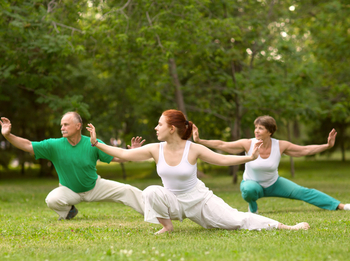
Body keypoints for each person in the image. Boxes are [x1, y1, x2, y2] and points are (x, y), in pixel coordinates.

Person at [86, 109, 310, 234]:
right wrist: (97, 143)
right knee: (151, 191)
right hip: (173, 201)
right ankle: (167, 226)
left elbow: (222, 159)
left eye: (159, 124)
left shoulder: (193, 149)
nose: (155, 128)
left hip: (200, 201)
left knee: (237, 221)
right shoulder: (155, 149)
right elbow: (123, 155)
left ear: (171, 128)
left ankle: (286, 226)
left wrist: (249, 157)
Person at [0, 112, 145, 220]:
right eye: (61, 125)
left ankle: (153, 212)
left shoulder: (93, 143)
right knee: (52, 199)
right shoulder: (54, 145)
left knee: (127, 190)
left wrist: (133, 153)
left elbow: (116, 157)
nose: (62, 127)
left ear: (78, 126)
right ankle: (69, 211)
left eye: (66, 124)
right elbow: (28, 145)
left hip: (95, 187)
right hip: (69, 190)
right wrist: (8, 135)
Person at [193, 115, 350, 214]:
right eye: (256, 128)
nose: (256, 131)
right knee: (248, 190)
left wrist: (327, 146)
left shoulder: (280, 145)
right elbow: (222, 144)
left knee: (305, 192)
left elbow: (305, 150)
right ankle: (252, 207)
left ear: (270, 131)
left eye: (260, 128)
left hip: (274, 183)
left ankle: (340, 206)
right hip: (252, 184)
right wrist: (200, 141)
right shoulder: (248, 143)